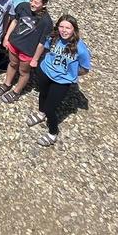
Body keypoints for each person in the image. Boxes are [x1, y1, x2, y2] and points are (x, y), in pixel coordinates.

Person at [28, 14, 91, 147]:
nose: (64, 30)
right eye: (61, 26)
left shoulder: (80, 48)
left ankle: (53, 132)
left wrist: (71, 73)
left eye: (68, 27)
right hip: (45, 72)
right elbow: (45, 50)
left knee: (51, 108)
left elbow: (85, 69)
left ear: (74, 29)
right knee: (43, 94)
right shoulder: (53, 38)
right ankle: (40, 113)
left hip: (62, 81)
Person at [0, 0, 52, 103]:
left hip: (28, 51)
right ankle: (7, 83)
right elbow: (15, 22)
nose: (32, 4)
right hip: (14, 43)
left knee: (24, 72)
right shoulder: (22, 7)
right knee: (12, 64)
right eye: (31, 0)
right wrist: (7, 37)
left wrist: (35, 59)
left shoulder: (46, 21)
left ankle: (16, 91)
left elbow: (42, 43)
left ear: (44, 4)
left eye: (36, 3)